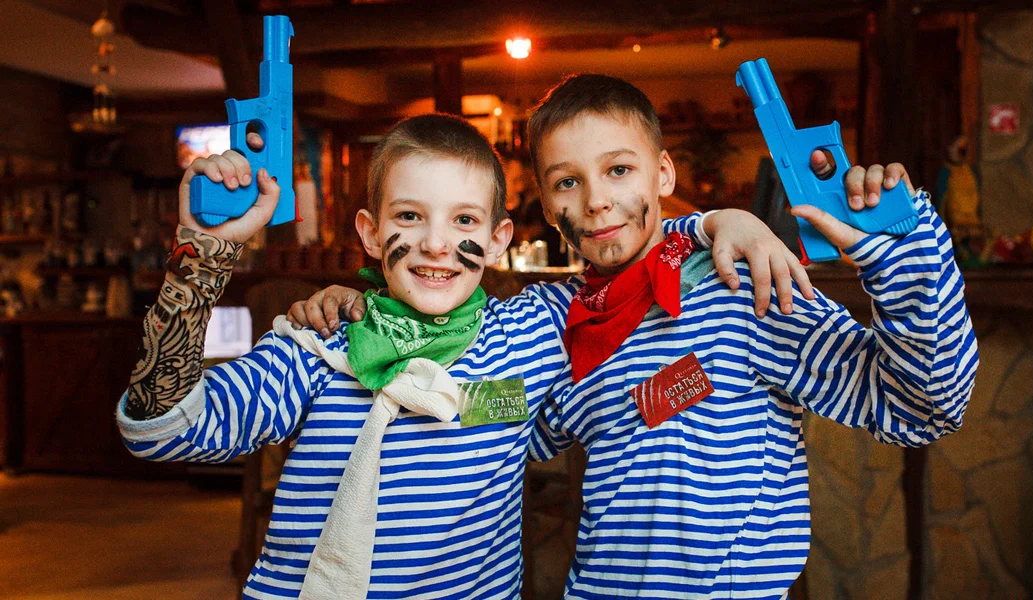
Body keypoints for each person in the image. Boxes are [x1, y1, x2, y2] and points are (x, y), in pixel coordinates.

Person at [296, 74, 977, 599]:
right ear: (545, 202)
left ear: (663, 174)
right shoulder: (556, 323)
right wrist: (375, 323)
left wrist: (903, 256)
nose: (595, 199)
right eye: (569, 181)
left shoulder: (744, 288)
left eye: (618, 170)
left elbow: (922, 406)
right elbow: (486, 408)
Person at [117, 113, 809, 600]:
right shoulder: (319, 347)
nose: (436, 245)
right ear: (370, 232)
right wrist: (201, 256)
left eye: (464, 221)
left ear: (500, 239)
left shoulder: (536, 333)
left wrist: (722, 221)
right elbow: (161, 429)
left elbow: (628, 247)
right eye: (409, 217)